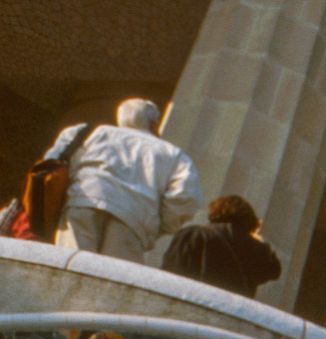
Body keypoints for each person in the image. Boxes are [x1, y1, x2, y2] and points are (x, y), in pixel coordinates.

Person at [50, 98, 200, 261]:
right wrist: (159, 225)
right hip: (135, 218)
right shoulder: (174, 154)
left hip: (84, 201)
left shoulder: (94, 132)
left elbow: (53, 162)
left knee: (71, 264)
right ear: (154, 124)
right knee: (112, 274)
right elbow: (184, 197)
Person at [163, 195, 282, 298]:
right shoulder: (258, 250)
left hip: (195, 304)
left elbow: (170, 275)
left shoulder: (193, 234)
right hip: (230, 313)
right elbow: (274, 270)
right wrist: (259, 240)